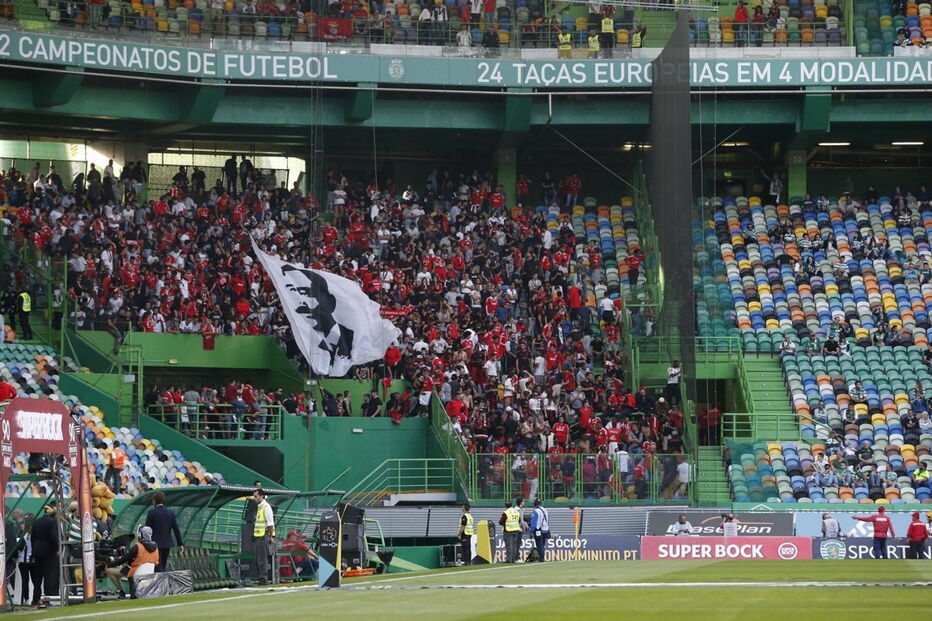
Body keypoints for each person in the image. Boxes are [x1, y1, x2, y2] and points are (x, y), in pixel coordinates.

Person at [104, 526, 160, 599]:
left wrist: (111, 564)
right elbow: (156, 561)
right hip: (149, 574)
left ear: (140, 535)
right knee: (120, 568)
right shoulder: (155, 548)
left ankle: (120, 591)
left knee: (109, 570)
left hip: (134, 573)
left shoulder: (138, 547)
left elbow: (123, 560)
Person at [145, 491, 183, 572]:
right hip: (167, 544)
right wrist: (180, 544)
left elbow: (147, 530)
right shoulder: (170, 513)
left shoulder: (151, 513)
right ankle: (163, 581)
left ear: (155, 501)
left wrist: (145, 543)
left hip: (154, 544)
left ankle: (159, 583)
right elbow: (176, 529)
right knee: (163, 565)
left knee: (156, 565)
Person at [31, 506, 59, 607]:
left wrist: (34, 550)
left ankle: (35, 599)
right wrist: (55, 550)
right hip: (48, 552)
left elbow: (32, 537)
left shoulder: (37, 521)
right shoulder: (52, 522)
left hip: (37, 551)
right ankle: (47, 599)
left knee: (38, 577)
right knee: (48, 576)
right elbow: (53, 538)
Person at [251, 489, 275, 585]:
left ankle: (263, 578)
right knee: (258, 558)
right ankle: (261, 577)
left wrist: (271, 536)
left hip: (263, 536)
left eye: (256, 496)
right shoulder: (260, 507)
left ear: (261, 496)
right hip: (258, 536)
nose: (254, 498)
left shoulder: (266, 507)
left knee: (262, 559)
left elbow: (270, 523)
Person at [500, 499, 524, 563]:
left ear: (505, 506)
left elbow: (501, 522)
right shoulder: (516, 511)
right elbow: (519, 521)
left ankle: (509, 559)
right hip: (516, 530)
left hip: (508, 530)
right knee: (514, 545)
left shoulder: (506, 513)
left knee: (509, 545)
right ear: (511, 505)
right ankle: (514, 559)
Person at [530, 498, 550, 562]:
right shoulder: (545, 510)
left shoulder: (536, 511)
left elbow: (534, 522)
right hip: (545, 529)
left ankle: (541, 559)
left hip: (538, 530)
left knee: (539, 545)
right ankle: (542, 558)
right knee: (543, 545)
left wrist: (531, 531)